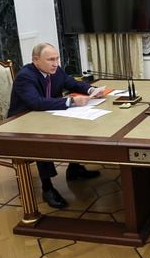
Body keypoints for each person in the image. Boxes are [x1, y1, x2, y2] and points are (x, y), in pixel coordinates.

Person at [9, 42, 106, 209]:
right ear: (36, 60)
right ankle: (47, 188)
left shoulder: (55, 70)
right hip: (23, 121)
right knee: (40, 139)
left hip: (48, 115)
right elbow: (36, 102)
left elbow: (72, 83)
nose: (55, 63)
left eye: (57, 59)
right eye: (50, 60)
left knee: (79, 126)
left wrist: (91, 90)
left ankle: (74, 168)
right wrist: (70, 101)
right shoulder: (25, 76)